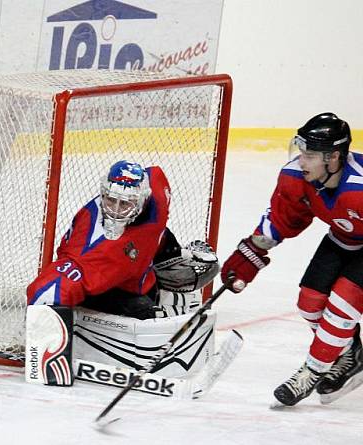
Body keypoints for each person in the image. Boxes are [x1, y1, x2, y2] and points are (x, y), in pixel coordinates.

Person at [24, 160, 220, 386]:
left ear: (143, 198)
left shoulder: (156, 189)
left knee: (197, 263)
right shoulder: (91, 248)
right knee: (144, 315)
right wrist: (43, 345)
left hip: (135, 267)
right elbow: (48, 289)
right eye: (110, 200)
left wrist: (166, 252)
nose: (115, 211)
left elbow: (153, 175)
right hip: (107, 283)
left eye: (125, 204)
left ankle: (169, 258)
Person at [221, 112, 363, 406]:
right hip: (342, 239)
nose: (302, 161)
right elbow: (283, 218)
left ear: (334, 156)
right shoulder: (296, 177)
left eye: (310, 155)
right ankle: (350, 355)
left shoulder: (359, 188)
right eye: (302, 152)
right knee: (309, 302)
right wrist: (252, 251)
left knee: (342, 304)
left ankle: (311, 372)